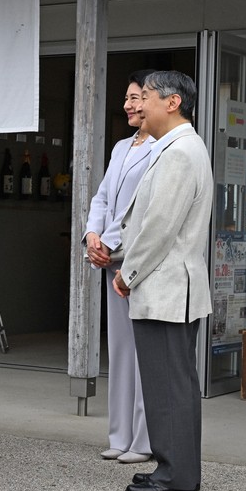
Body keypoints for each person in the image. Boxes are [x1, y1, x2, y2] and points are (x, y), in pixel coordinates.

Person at [113, 70, 213, 491]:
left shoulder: (177, 152)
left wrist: (126, 272)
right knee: (176, 381)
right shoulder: (179, 146)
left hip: (166, 286)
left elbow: (158, 227)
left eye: (147, 97)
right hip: (174, 285)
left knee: (167, 383)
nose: (139, 105)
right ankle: (180, 469)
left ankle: (174, 475)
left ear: (172, 102)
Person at [84, 70, 155, 465]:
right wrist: (92, 237)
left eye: (136, 97)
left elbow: (138, 211)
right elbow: (103, 197)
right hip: (113, 260)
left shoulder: (162, 148)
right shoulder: (121, 147)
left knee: (144, 351)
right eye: (127, 97)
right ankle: (119, 434)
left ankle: (143, 441)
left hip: (138, 260)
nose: (129, 104)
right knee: (121, 350)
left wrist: (108, 242)